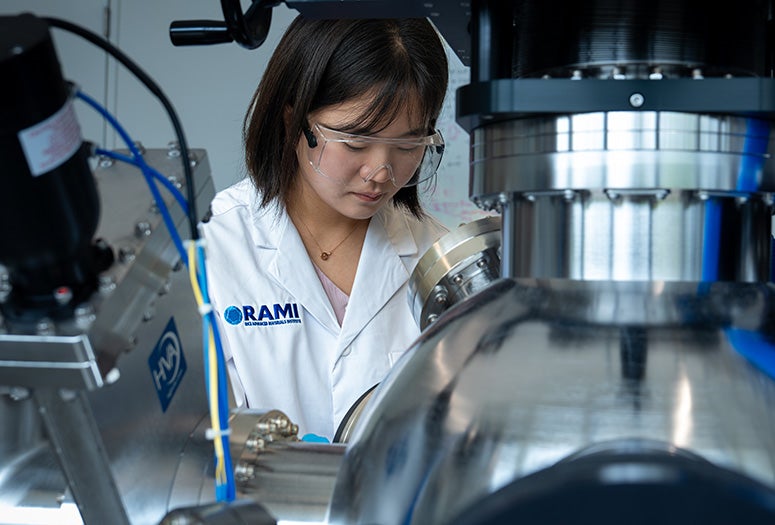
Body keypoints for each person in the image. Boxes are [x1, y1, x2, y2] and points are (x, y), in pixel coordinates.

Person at [200, 14, 450, 441]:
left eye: (408, 145)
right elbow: (198, 444)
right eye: (355, 142)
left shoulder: (439, 255)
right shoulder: (213, 250)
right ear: (293, 120)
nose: (380, 171)